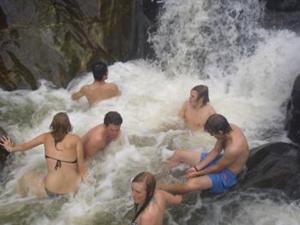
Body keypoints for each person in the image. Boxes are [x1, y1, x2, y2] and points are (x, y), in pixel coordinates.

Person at [0, 112, 86, 198]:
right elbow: (81, 168)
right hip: (73, 190)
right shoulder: (76, 139)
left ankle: (17, 199)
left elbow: (24, 147)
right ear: (68, 125)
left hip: (52, 190)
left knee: (25, 178)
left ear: (53, 124)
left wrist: (10, 147)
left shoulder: (45, 137)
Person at [160, 114, 249, 194]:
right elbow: (215, 151)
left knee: (189, 185)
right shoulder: (228, 128)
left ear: (220, 132)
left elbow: (217, 168)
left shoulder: (234, 148)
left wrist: (197, 173)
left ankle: (158, 188)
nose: (211, 136)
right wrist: (196, 168)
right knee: (178, 154)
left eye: (213, 134)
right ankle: (163, 177)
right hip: (221, 161)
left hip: (227, 173)